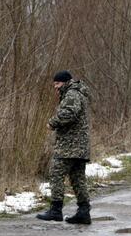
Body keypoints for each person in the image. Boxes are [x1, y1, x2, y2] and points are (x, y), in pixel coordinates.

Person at [36, 70, 92, 224]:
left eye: (58, 83)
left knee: (56, 173)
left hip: (70, 146)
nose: (55, 87)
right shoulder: (77, 93)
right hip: (79, 146)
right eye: (54, 84)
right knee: (77, 178)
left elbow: (69, 113)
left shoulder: (72, 94)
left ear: (66, 82)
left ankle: (56, 210)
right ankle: (84, 211)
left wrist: (52, 122)